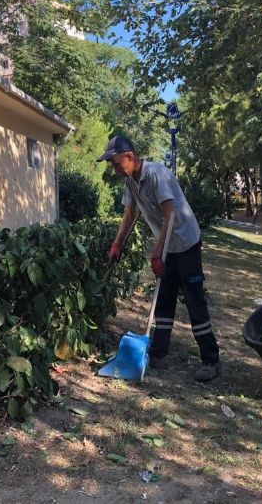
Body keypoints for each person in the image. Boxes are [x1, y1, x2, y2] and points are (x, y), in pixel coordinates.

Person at [97, 135, 220, 381]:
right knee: (164, 299)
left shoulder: (156, 175)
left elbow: (170, 215)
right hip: (168, 246)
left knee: (195, 301)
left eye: (117, 163)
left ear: (129, 157)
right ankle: (158, 352)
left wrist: (156, 252)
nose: (115, 168)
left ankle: (211, 360)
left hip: (185, 243)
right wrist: (116, 243)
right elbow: (129, 214)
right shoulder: (131, 181)